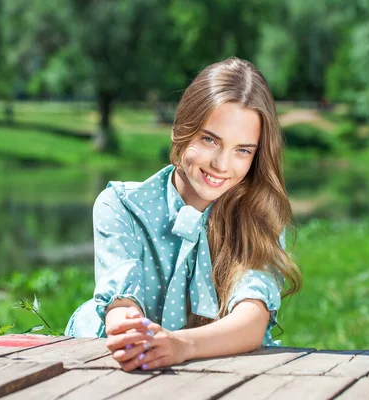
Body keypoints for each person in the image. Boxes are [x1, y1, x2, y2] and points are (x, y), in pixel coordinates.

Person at [65, 57, 301, 372]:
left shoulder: (260, 216)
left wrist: (181, 345)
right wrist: (134, 335)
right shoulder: (120, 205)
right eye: (209, 140)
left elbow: (252, 319)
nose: (221, 164)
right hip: (119, 366)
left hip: (221, 367)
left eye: (242, 150)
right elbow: (121, 306)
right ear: (182, 128)